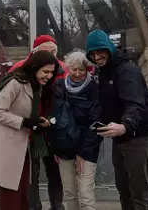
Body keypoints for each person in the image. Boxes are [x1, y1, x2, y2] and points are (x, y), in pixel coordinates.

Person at [85, 29, 148, 210]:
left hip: (138, 136)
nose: (97, 56)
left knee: (138, 193)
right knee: (124, 189)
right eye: (92, 54)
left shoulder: (127, 70)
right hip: (120, 136)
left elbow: (135, 103)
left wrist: (125, 125)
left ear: (109, 48)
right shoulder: (104, 72)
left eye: (100, 51)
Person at [0, 51, 60, 210]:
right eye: (45, 71)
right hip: (8, 147)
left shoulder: (36, 85)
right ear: (34, 68)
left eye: (52, 72)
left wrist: (36, 121)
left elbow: (26, 113)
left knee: (23, 196)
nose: (49, 75)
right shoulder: (15, 84)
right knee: (11, 197)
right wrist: (26, 122)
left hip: (24, 148)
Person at [10, 34, 65, 210]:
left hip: (48, 127)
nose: (50, 56)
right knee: (35, 174)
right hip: (32, 127)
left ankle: (49, 206)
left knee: (50, 172)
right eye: (47, 52)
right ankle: (42, 206)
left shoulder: (62, 69)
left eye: (53, 52)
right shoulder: (20, 69)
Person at [54, 50, 102, 210]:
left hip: (87, 148)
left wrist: (83, 152)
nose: (77, 73)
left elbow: (96, 123)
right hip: (64, 146)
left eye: (81, 69)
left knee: (85, 193)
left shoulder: (94, 89)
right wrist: (56, 146)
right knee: (69, 193)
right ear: (68, 68)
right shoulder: (59, 87)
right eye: (74, 69)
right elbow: (55, 119)